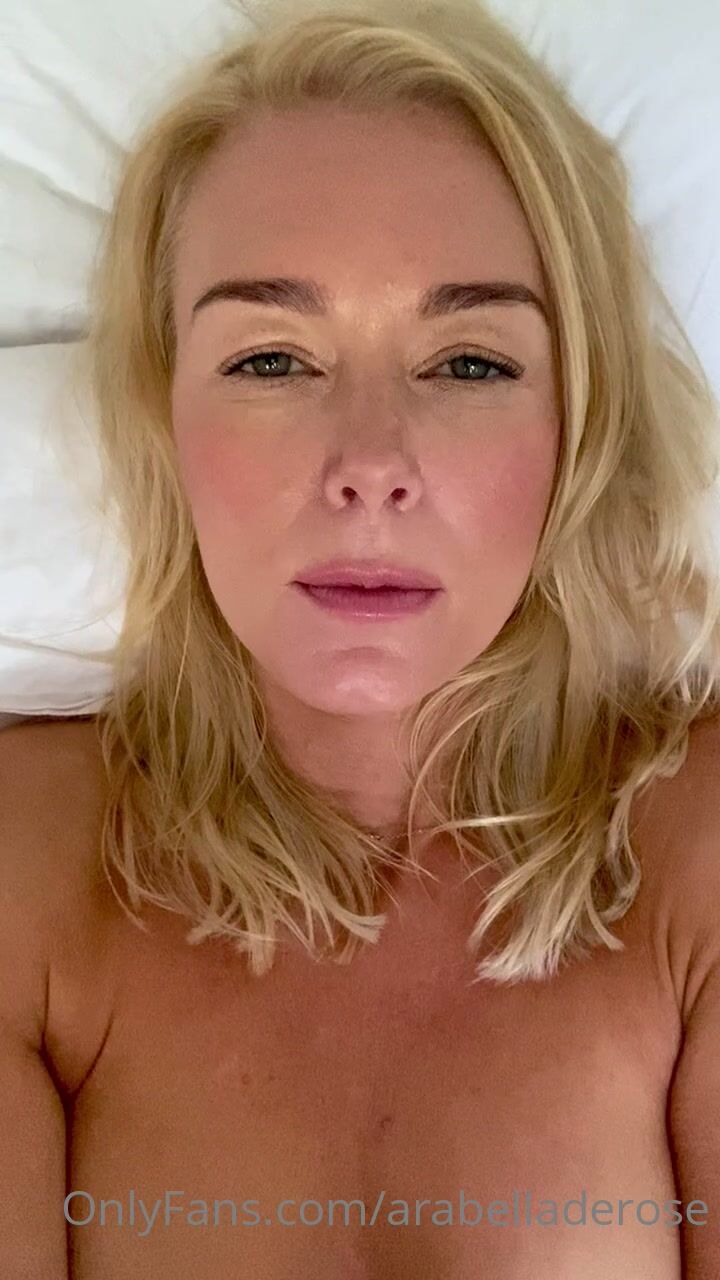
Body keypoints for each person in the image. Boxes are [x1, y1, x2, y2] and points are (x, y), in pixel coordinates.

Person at [2, 0, 720, 1274]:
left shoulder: (694, 860)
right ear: (163, 412)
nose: (371, 463)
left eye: (471, 362)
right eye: (272, 360)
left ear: (581, 419)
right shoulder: (32, 877)